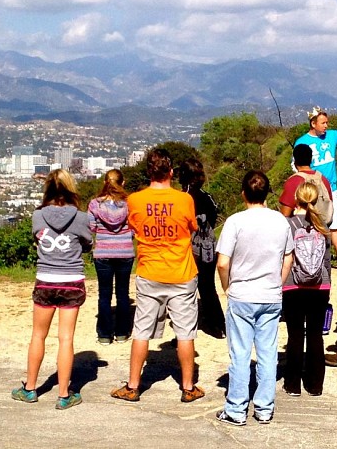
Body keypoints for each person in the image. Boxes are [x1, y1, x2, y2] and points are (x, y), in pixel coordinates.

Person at [110, 149, 205, 404]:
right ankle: (187, 387)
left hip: (149, 271)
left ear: (148, 172)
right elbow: (192, 227)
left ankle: (133, 385)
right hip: (181, 272)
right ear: (171, 173)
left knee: (141, 329)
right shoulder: (184, 200)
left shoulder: (135, 200)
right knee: (185, 332)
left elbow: (133, 226)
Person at [215, 171, 294, 426]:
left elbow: (223, 263)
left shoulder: (235, 222)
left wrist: (227, 287)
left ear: (243, 194)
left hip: (242, 293)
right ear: (267, 194)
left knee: (240, 352)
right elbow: (288, 258)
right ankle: (264, 407)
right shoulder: (281, 222)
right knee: (267, 352)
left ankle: (237, 408)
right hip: (270, 294)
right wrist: (277, 284)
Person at [12, 169, 92, 409]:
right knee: (66, 338)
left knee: (38, 335)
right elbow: (88, 243)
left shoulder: (39, 216)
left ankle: (30, 388)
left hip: (45, 279)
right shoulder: (81, 217)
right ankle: (64, 394)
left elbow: (37, 239)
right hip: (72, 280)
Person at [293, 93, 337, 257]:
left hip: (331, 188)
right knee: (312, 223)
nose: (326, 126)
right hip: (312, 190)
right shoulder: (302, 142)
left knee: (335, 224)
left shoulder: (331, 136)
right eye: (323, 123)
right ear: (313, 123)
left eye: (327, 122)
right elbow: (295, 166)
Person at [282, 182, 332, 397]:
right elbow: (327, 260)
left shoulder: (287, 225)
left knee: (294, 335)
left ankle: (292, 384)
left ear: (297, 199)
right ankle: (315, 384)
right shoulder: (323, 226)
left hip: (293, 284)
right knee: (315, 335)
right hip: (319, 286)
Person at [179, 158, 225, 339]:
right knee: (208, 286)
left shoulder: (183, 198)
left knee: (186, 290)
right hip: (209, 244)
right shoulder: (208, 197)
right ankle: (218, 325)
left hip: (190, 246)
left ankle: (186, 329)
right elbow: (214, 217)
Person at [88, 169, 134, 346]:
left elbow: (90, 228)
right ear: (123, 183)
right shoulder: (129, 204)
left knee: (104, 294)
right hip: (124, 251)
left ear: (104, 183)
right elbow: (134, 227)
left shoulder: (95, 205)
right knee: (123, 293)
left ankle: (104, 334)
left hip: (103, 252)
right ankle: (122, 332)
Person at [280, 144, 333, 221]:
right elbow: (329, 205)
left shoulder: (293, 181)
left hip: (301, 229)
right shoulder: (323, 179)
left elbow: (285, 215)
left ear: (294, 160)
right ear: (311, 159)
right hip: (323, 227)